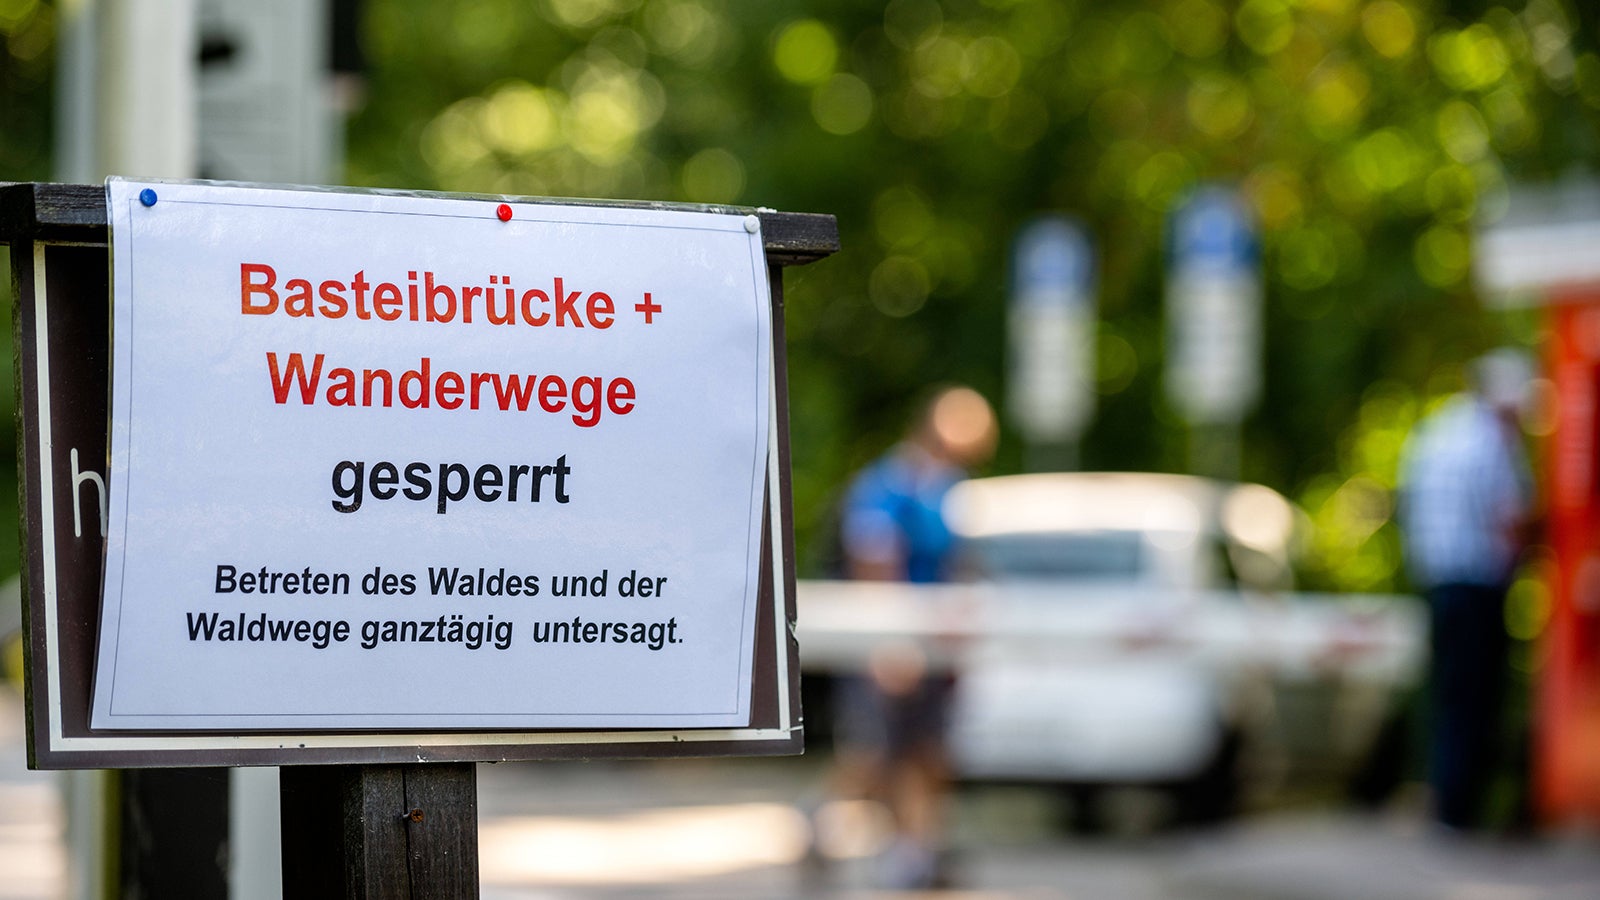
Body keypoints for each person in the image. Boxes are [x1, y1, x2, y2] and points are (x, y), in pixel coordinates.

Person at [819, 385, 996, 889]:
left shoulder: (950, 488)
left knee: (928, 751)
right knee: (884, 752)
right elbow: (874, 562)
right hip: (890, 638)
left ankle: (916, 851)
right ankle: (889, 846)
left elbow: (958, 566)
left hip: (936, 645)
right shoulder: (887, 485)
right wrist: (888, 643)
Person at [1397, 349, 1535, 831]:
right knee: (1476, 696)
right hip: (1478, 584)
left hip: (1437, 581)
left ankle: (1444, 802)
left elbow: (1408, 502)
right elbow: (1511, 518)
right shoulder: (1493, 442)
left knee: (1446, 695)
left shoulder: (1435, 432)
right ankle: (1464, 809)